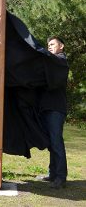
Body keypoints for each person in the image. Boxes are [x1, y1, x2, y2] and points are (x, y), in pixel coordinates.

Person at [38, 36, 69, 189]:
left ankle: (61, 177)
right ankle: (53, 174)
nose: (49, 46)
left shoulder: (61, 61)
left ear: (61, 46)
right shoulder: (53, 62)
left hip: (56, 109)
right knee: (52, 144)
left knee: (56, 142)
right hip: (48, 108)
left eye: (52, 44)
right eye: (48, 44)